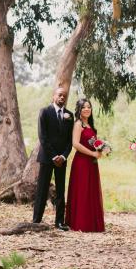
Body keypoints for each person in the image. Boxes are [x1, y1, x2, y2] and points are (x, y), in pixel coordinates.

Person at [32, 87, 73, 230]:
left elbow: (70, 140)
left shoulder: (69, 115)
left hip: (62, 159)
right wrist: (54, 156)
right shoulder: (44, 112)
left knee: (60, 190)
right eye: (60, 95)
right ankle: (36, 221)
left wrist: (63, 156)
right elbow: (42, 137)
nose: (62, 98)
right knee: (42, 189)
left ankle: (59, 222)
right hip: (47, 157)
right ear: (53, 96)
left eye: (64, 96)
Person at [65, 98, 105, 232]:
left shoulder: (90, 125)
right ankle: (80, 223)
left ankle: (91, 222)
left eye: (89, 107)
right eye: (84, 107)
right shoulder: (78, 124)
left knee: (90, 191)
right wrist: (92, 153)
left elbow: (93, 143)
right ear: (79, 110)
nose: (87, 109)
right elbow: (75, 144)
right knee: (82, 190)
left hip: (92, 163)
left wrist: (100, 150)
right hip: (81, 162)